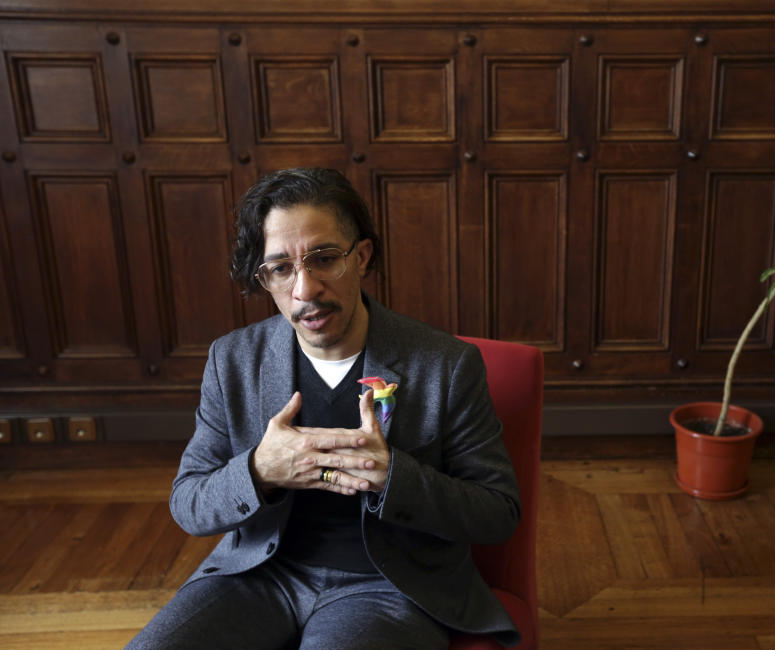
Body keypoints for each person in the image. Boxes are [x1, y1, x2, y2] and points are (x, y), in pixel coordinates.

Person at [127, 168, 521, 649]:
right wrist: (258, 470)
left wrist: (394, 475)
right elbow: (189, 503)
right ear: (264, 278)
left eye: (324, 259)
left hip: (387, 588)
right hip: (257, 577)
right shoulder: (231, 360)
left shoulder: (448, 365)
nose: (305, 289)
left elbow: (498, 512)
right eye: (281, 268)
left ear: (362, 257)